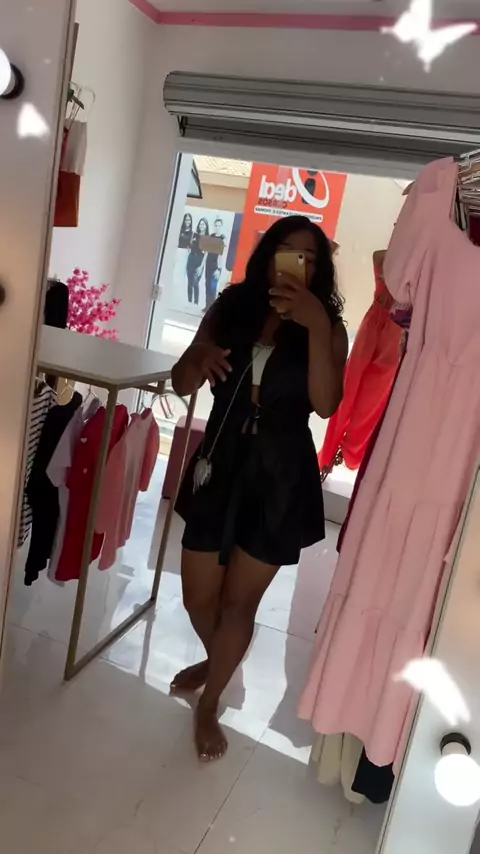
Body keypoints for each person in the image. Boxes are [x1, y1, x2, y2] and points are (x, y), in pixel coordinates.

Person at [171, 215, 348, 762]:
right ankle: (218, 658)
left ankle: (210, 701)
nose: (298, 264)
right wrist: (195, 358)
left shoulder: (328, 326)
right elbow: (181, 383)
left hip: (280, 476)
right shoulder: (231, 307)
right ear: (267, 255)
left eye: (310, 258)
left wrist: (315, 325)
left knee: (238, 603)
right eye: (287, 252)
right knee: (198, 596)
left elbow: (325, 405)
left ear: (319, 270)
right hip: (220, 462)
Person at [204, 217, 226, 310]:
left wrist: (218, 269)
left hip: (216, 266)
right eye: (216, 225)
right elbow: (207, 251)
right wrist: (202, 264)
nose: (217, 227)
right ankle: (207, 306)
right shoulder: (211, 236)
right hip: (208, 263)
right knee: (207, 285)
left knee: (213, 287)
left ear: (221, 226)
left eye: (219, 225)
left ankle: (212, 308)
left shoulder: (223, 238)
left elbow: (222, 255)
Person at [186, 217, 209, 305]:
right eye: (200, 224)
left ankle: (195, 302)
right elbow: (190, 246)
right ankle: (189, 301)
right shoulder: (194, 235)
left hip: (199, 261)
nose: (201, 226)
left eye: (203, 224)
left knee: (196, 282)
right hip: (191, 259)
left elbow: (206, 253)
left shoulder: (207, 238)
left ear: (206, 226)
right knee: (189, 282)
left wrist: (201, 266)